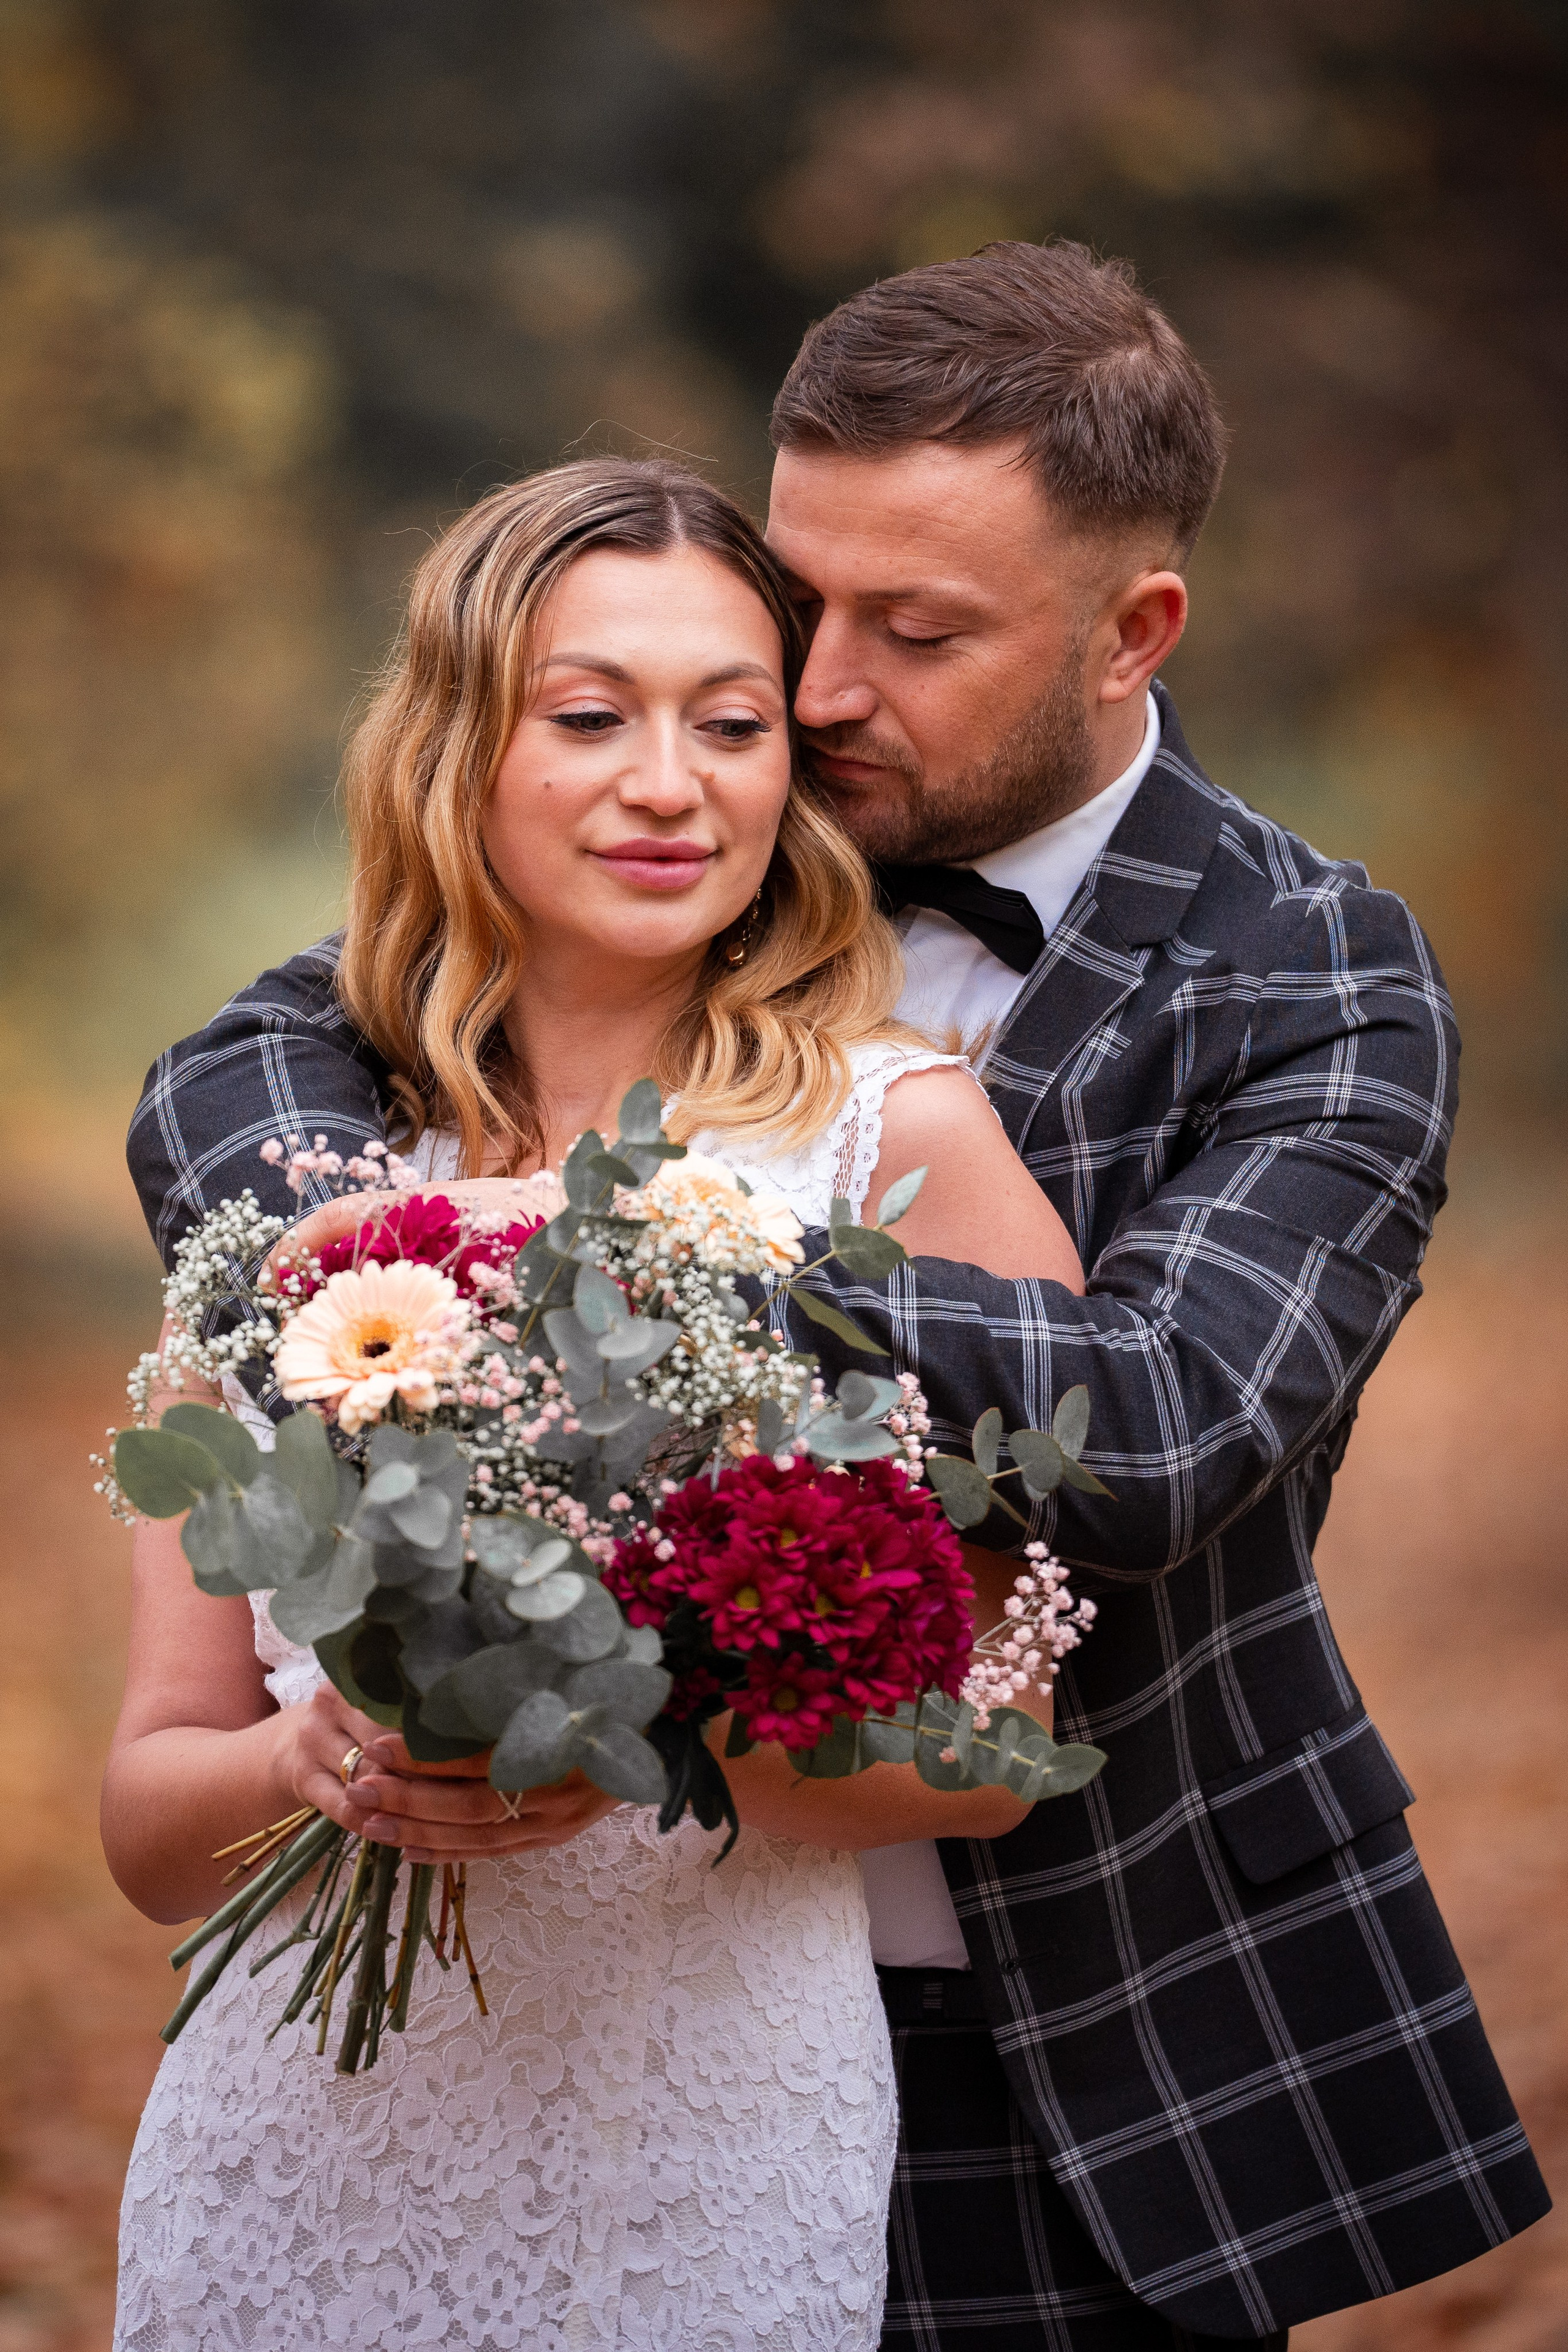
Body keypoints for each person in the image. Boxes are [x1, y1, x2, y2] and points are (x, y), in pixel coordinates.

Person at [123, 243, 1551, 2346]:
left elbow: (1153, 1425)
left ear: (1132, 631)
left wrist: (618, 1281)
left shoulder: (1308, 977)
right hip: (497, 2018)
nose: (810, 693)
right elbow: (248, 1072)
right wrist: (355, 1294)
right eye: (804, 607)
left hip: (1079, 2000)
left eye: (919, 631)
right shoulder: (705, 825)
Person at [105, 456, 1091, 2352]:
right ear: (457, 751)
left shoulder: (906, 1151)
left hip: (693, 2147)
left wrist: (643, 1718)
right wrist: (310, 1768)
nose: (672, 784)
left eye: (732, 724)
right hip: (290, 2150)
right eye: (589, 717)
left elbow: (997, 1752)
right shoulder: (290, 1185)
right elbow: (152, 1814)